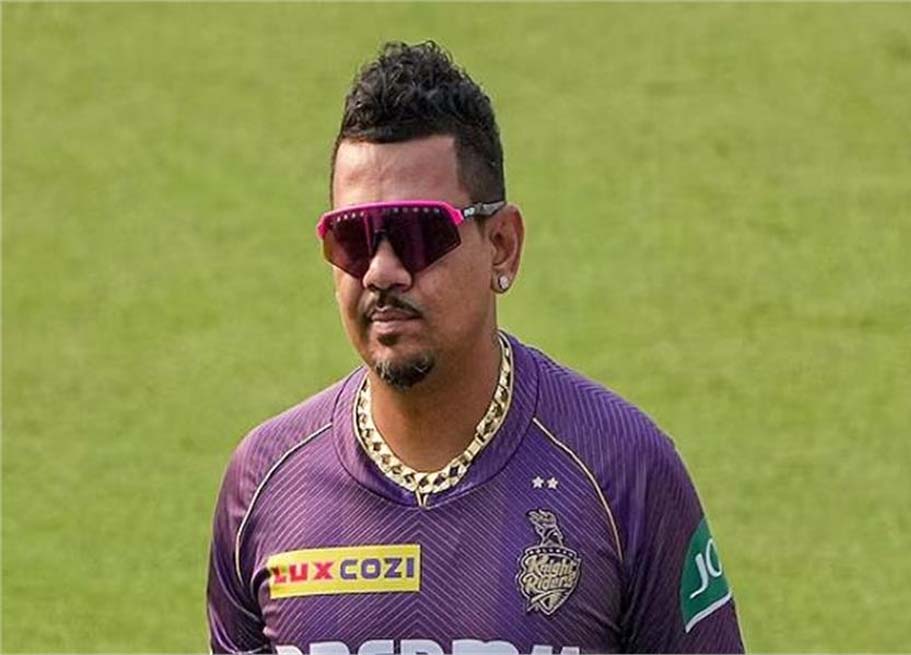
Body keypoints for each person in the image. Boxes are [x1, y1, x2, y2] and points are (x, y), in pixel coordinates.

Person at [207, 41, 744, 655]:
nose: (381, 271)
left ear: (502, 246)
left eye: (419, 232)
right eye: (352, 237)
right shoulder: (265, 483)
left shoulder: (622, 470)